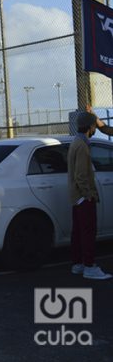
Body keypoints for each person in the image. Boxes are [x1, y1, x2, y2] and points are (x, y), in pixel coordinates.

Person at [68, 111, 112, 280]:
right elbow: (80, 175)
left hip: (76, 196)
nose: (95, 129)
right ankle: (89, 266)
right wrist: (88, 195)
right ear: (91, 126)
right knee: (88, 231)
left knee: (78, 231)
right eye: (94, 126)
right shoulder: (82, 145)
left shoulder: (77, 142)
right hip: (83, 196)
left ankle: (79, 264)